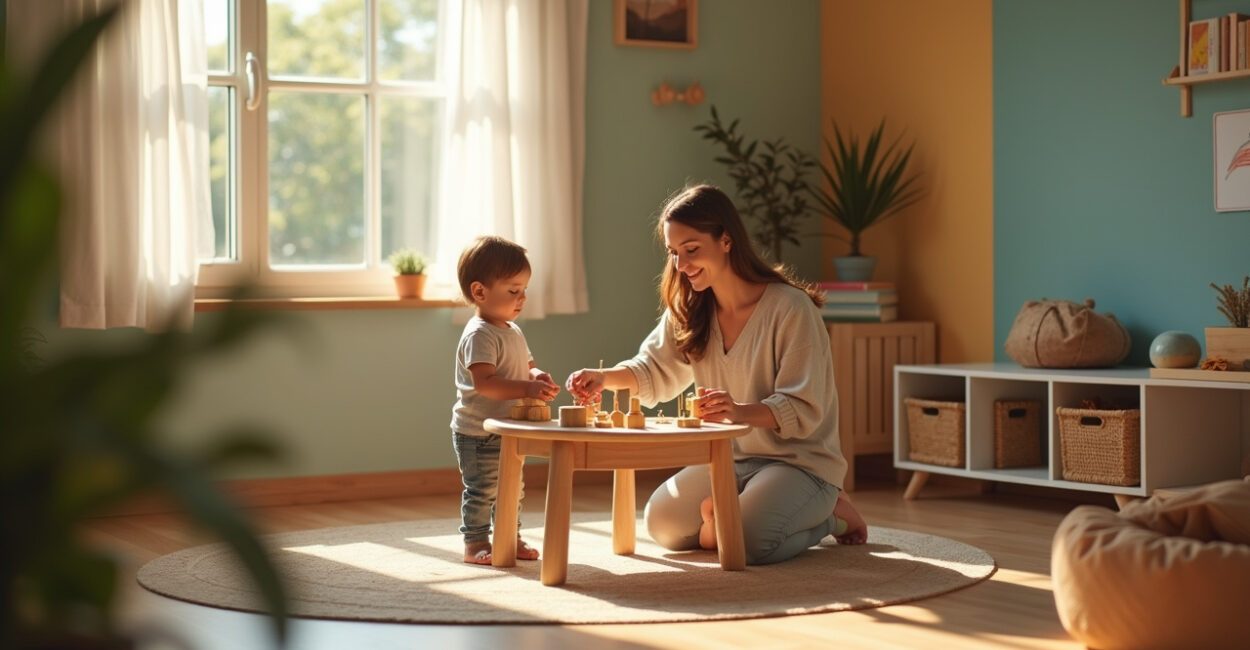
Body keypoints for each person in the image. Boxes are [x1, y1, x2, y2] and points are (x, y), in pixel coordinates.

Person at [565, 184, 867, 565]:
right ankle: (722, 525)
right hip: (729, 459)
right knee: (664, 526)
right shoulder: (692, 309)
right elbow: (654, 368)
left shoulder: (791, 308)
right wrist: (604, 377)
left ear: (726, 240)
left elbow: (804, 405)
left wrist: (740, 411)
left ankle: (833, 517)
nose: (681, 265)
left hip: (799, 464)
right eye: (674, 253)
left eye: (692, 250)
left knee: (747, 542)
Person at [451, 236, 560, 565]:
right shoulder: (479, 334)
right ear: (480, 292)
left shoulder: (512, 330)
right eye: (513, 291)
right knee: (483, 490)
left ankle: (509, 537)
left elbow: (526, 367)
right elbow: (486, 384)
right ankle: (475, 544)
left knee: (513, 488)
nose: (522, 298)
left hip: (509, 428)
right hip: (478, 433)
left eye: (524, 290)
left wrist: (537, 376)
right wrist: (526, 390)